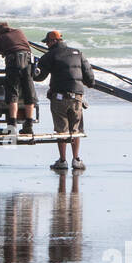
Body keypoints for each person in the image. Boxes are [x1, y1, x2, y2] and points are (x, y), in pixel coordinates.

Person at [33, 30, 95, 171]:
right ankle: (76, 159)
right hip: (76, 97)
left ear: (54, 41)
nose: (47, 45)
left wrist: (33, 69)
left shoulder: (49, 56)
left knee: (61, 130)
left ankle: (62, 161)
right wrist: (90, 83)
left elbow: (39, 77)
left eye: (47, 42)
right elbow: (89, 76)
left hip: (59, 97)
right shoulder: (78, 53)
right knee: (76, 128)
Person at [0, 21, 37, 134]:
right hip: (28, 62)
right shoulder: (19, 32)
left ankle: (12, 125)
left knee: (13, 93)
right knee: (29, 92)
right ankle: (29, 124)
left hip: (14, 63)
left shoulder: (0, 38)